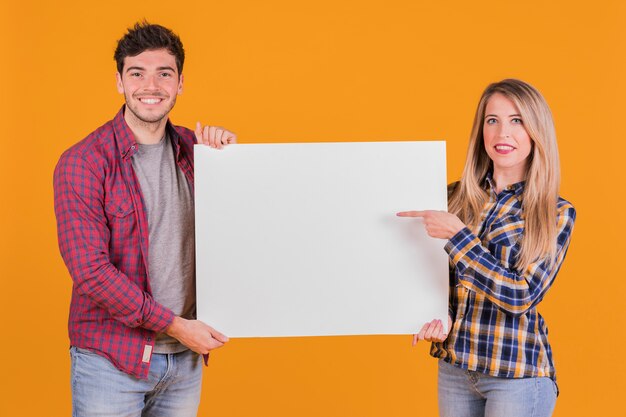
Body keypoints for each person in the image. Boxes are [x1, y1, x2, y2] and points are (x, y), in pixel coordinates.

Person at [53, 22, 236, 417]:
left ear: (180, 83)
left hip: (184, 361)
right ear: (120, 81)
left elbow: (245, 233)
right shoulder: (83, 162)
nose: (150, 85)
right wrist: (175, 325)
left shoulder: (197, 151)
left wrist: (231, 166)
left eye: (164, 74)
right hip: (110, 360)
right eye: (137, 73)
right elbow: (91, 272)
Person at [397, 79, 575, 417]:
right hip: (456, 368)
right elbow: (435, 275)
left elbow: (520, 296)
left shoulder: (554, 211)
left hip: (516, 375)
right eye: (492, 120)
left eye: (517, 120)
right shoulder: (453, 197)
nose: (502, 133)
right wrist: (439, 312)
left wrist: (460, 237)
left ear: (536, 131)